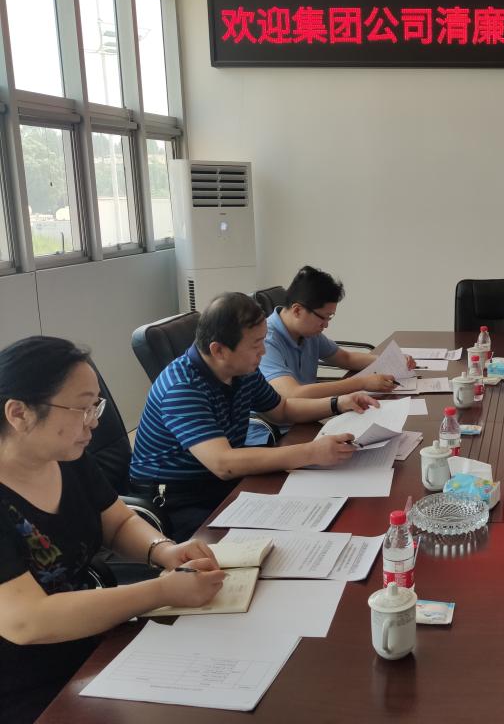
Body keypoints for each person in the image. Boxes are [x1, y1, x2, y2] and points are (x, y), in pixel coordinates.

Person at [0, 337, 225, 723]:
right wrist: (161, 591)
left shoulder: (67, 457)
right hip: (23, 685)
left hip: (88, 642)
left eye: (96, 406)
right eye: (82, 408)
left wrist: (163, 550)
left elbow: (118, 521)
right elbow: (26, 620)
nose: (94, 421)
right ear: (19, 413)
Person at [130, 292, 377, 540]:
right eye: (256, 345)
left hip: (218, 481)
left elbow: (282, 410)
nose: (263, 351)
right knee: (266, 540)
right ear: (219, 350)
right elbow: (223, 463)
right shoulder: (182, 388)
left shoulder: (242, 369)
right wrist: (311, 452)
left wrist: (339, 403)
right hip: (177, 499)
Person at [261, 266, 415, 406]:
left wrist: (393, 360)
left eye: (330, 317)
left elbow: (345, 358)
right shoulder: (264, 340)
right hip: (276, 425)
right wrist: (361, 383)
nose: (326, 325)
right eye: (323, 317)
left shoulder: (308, 333)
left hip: (308, 412)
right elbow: (293, 394)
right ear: (297, 310)